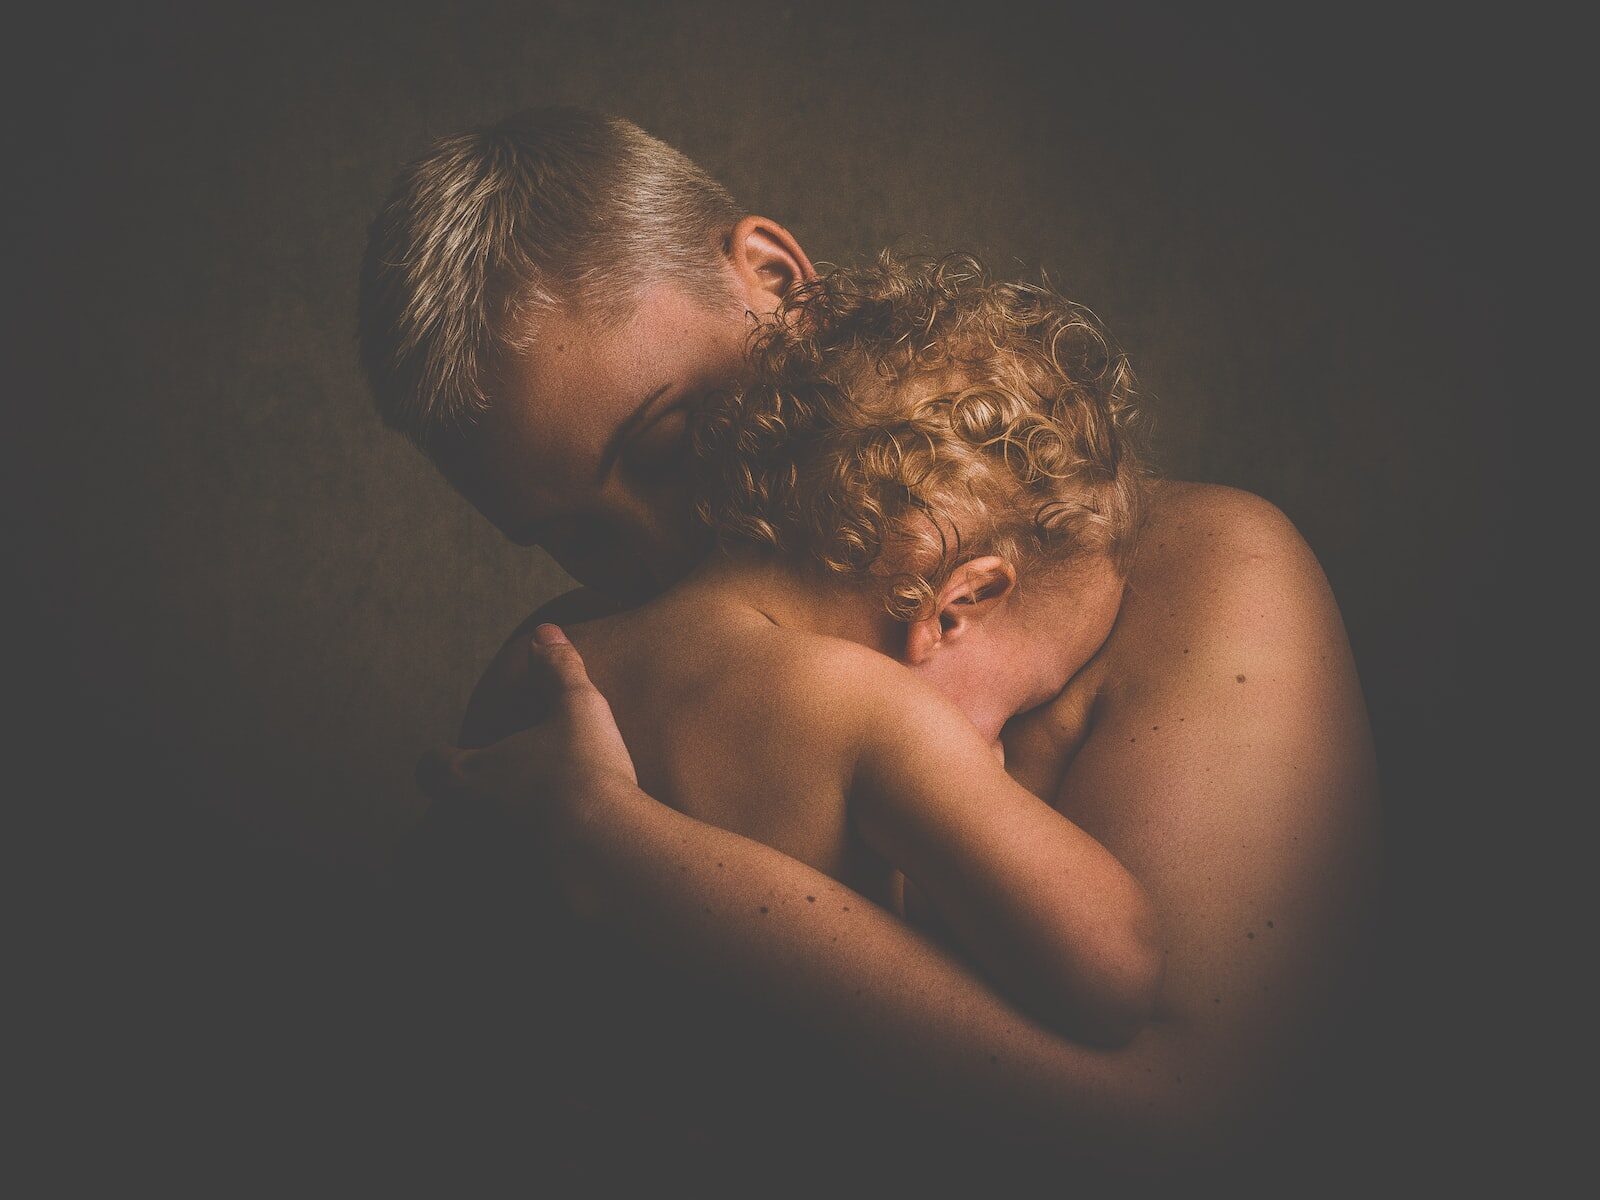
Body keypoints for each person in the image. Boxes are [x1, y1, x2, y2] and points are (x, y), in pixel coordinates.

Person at [359, 107, 1379, 1173]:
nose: (662, 552)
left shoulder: (1207, 569)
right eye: (568, 537)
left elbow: (1190, 1132)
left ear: (773, 276)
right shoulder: (560, 663)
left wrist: (645, 871)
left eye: (669, 448)